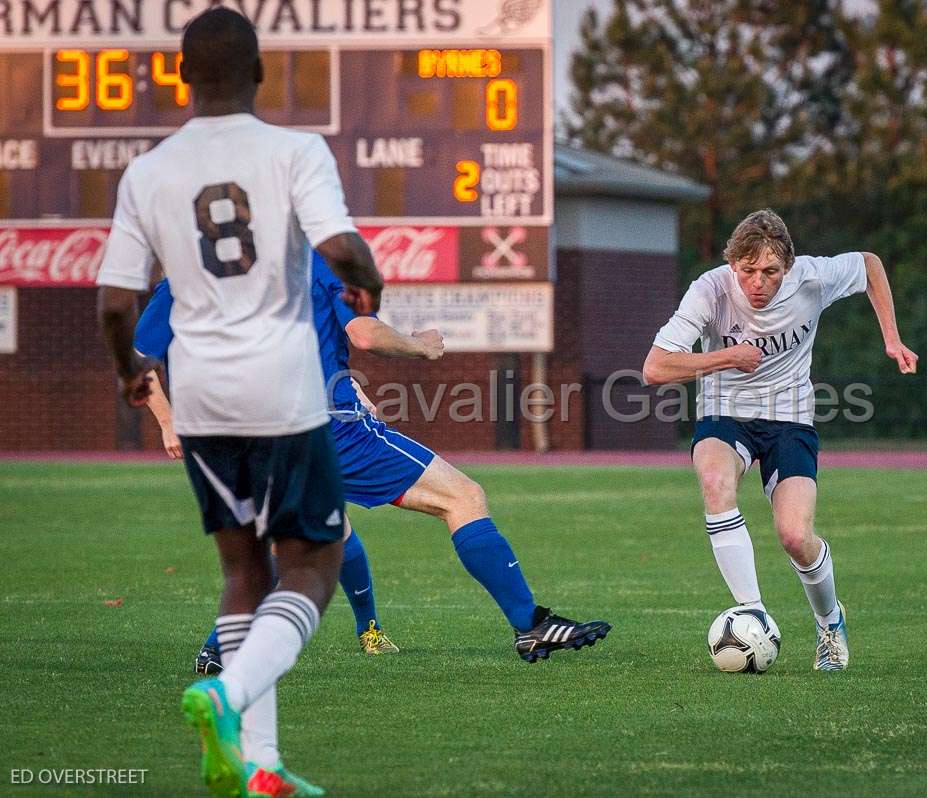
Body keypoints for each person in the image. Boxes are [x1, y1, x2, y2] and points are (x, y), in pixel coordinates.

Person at [95, 8, 384, 797]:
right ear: (260, 71)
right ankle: (226, 694)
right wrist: (372, 283)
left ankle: (259, 765)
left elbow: (117, 305)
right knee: (314, 565)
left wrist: (130, 376)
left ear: (182, 76)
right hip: (283, 391)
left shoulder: (146, 172)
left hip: (202, 397)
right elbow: (342, 251)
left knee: (240, 568)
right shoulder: (294, 151)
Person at [138, 256, 612, 667]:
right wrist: (420, 345)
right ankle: (530, 624)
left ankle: (219, 649)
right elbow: (363, 333)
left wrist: (168, 420)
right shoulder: (314, 258)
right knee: (462, 497)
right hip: (324, 427)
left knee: (308, 543)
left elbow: (138, 357)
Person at [642, 209, 919, 672]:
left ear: (787, 267)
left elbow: (870, 263)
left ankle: (830, 622)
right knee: (714, 481)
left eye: (769, 271)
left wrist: (891, 337)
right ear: (733, 264)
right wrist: (725, 357)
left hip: (789, 418)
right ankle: (753, 611)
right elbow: (655, 367)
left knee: (795, 536)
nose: (757, 282)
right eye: (747, 270)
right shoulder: (710, 290)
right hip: (724, 413)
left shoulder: (812, 277)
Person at [135, 275, 403, 668]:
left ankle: (370, 631)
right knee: (281, 539)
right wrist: (166, 420)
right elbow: (136, 356)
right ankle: (219, 651)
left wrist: (343, 389)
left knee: (327, 525)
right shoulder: (181, 281)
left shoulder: (262, 275)